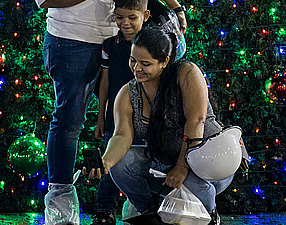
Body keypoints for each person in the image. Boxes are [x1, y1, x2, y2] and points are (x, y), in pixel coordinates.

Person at [32, 0, 187, 225]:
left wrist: (174, 5)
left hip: (117, 41)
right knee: (69, 119)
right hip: (72, 41)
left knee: (130, 118)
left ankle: (133, 195)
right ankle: (60, 203)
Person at [89, 26, 231, 225]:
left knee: (190, 183)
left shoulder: (186, 73)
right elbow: (122, 136)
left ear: (164, 62)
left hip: (210, 161)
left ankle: (210, 215)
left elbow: (196, 121)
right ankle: (150, 212)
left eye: (145, 63)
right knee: (120, 166)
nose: (136, 68)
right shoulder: (127, 93)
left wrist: (182, 167)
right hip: (165, 163)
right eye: (133, 60)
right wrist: (106, 162)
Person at [93, 0, 150, 224]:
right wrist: (100, 117)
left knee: (144, 161)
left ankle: (145, 206)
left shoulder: (152, 44)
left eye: (132, 17)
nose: (125, 23)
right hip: (115, 116)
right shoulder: (110, 46)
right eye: (119, 17)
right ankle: (105, 209)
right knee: (110, 161)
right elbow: (104, 82)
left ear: (145, 16)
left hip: (145, 116)